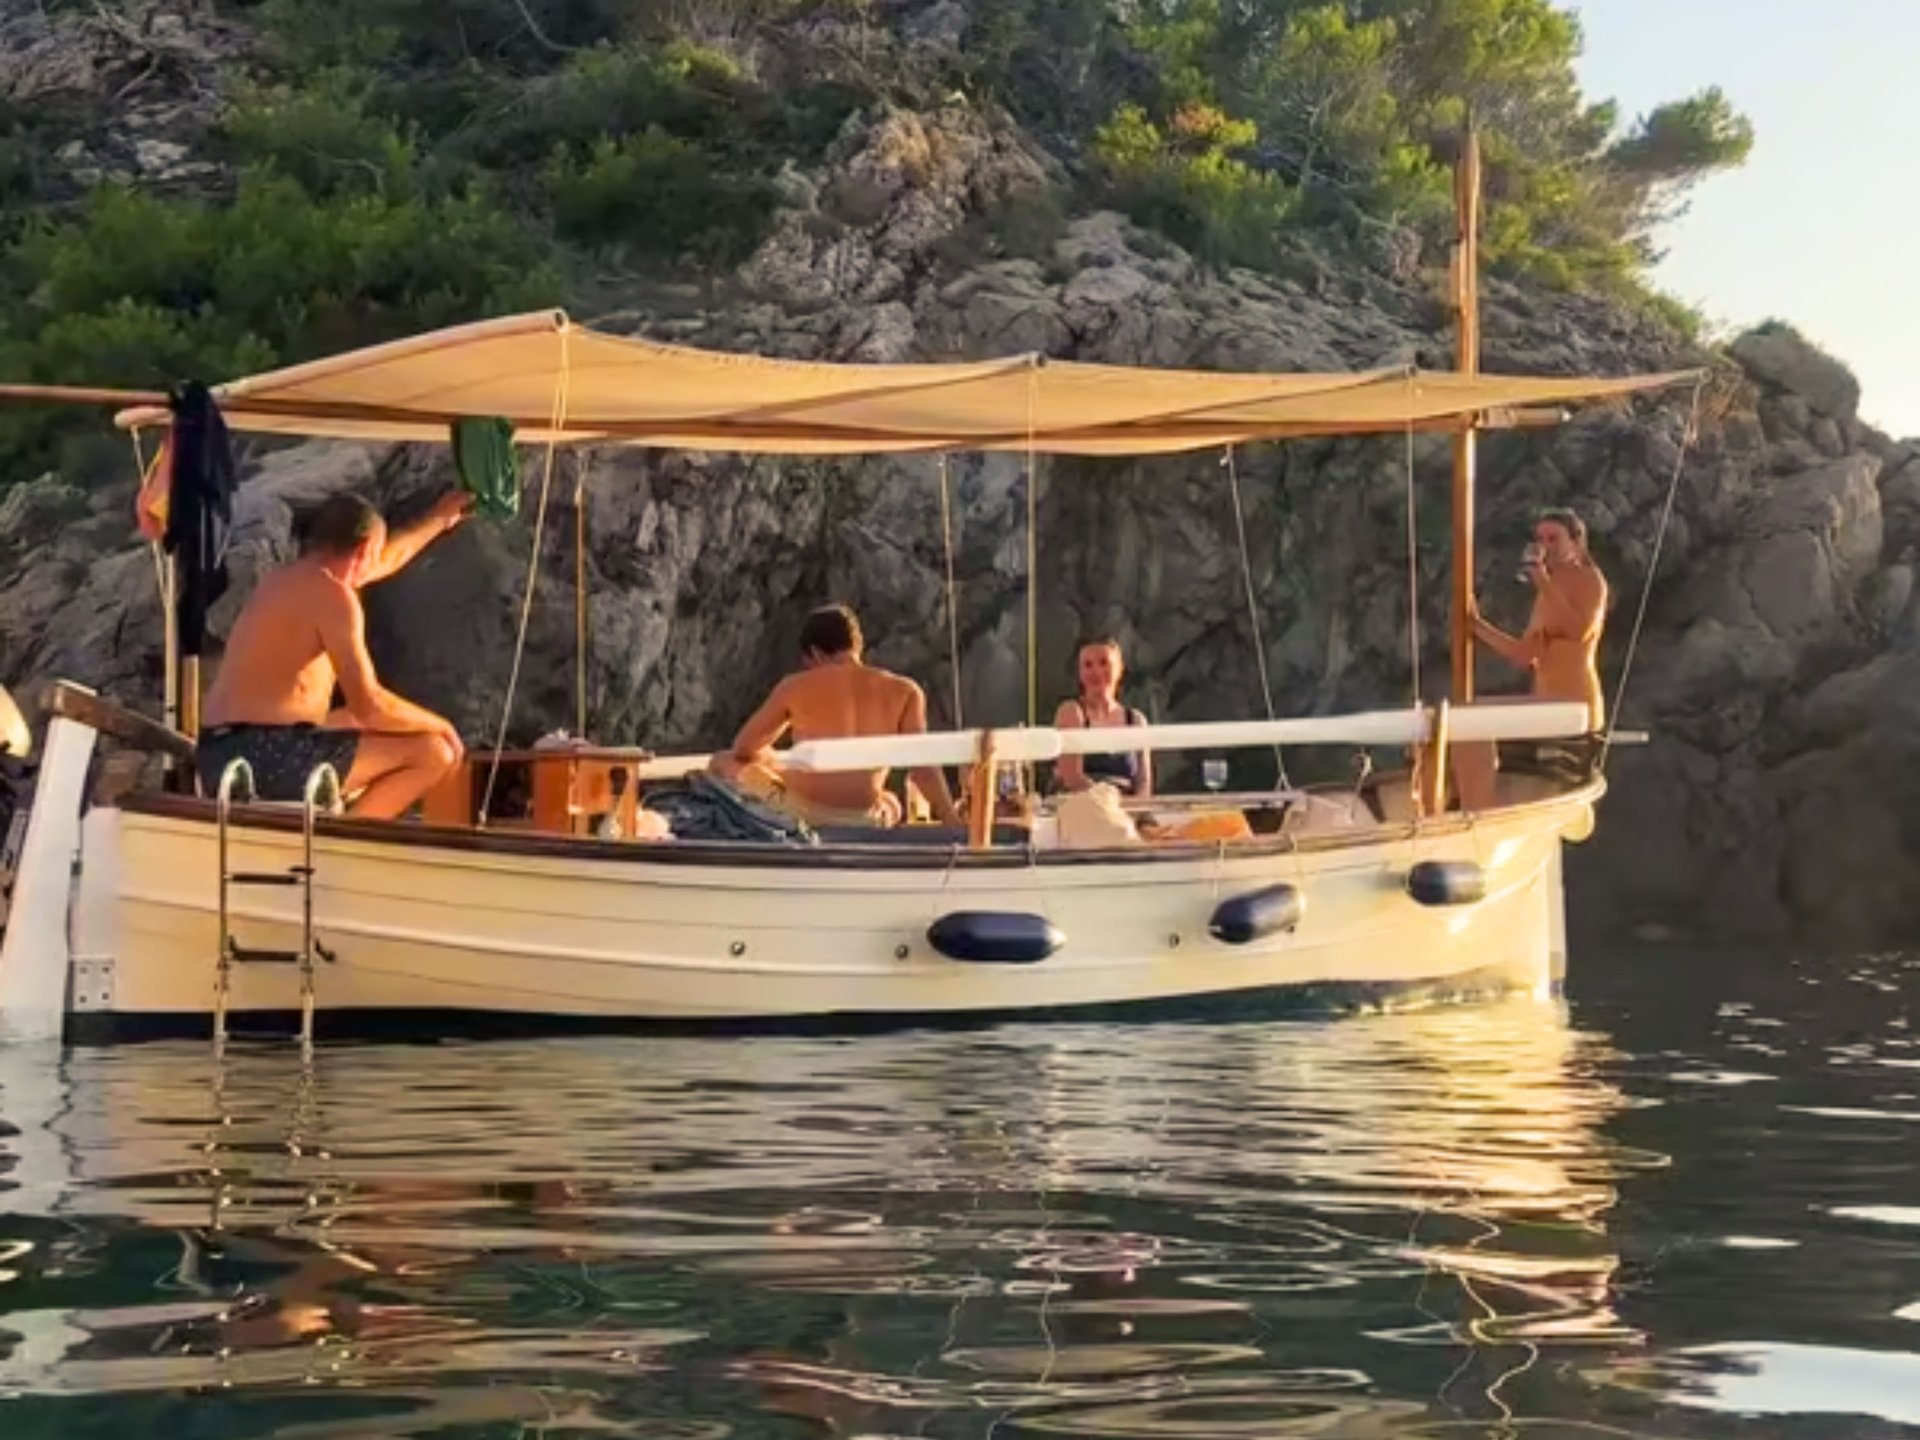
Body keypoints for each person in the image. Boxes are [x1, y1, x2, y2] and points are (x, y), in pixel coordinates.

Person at [197, 491, 471, 819]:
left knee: (347, 720)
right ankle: (347, 838)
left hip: (216, 755)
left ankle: (343, 823)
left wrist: (439, 519)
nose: (377, 563)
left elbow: (389, 559)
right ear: (364, 550)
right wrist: (443, 725)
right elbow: (369, 705)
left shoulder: (280, 581)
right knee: (433, 751)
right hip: (266, 758)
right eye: (374, 553)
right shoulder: (334, 597)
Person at [712, 603, 962, 828]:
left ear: (815, 653)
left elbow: (743, 748)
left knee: (723, 761)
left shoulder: (795, 686)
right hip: (863, 818)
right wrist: (952, 822)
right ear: (858, 645)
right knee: (890, 801)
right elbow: (924, 771)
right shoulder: (905, 691)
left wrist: (772, 759)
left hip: (802, 814)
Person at [1454, 507, 1609, 812]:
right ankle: (1473, 805)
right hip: (1546, 701)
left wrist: (1543, 581)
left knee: (1470, 719)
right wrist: (1477, 626)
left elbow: (1579, 631)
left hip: (1575, 704)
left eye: (1554, 539)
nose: (1545, 546)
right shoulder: (1547, 593)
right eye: (1540, 539)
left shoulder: (1590, 581)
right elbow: (1525, 654)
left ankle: (1480, 810)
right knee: (1458, 717)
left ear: (1576, 543)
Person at [1053, 637, 1153, 798]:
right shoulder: (1071, 712)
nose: (1097, 672)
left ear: (1120, 668)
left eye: (1104, 663)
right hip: (1083, 803)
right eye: (1088, 665)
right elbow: (1071, 777)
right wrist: (1107, 802)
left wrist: (1133, 806)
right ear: (1079, 672)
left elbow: (1144, 783)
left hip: (1127, 807)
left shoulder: (1136, 720)